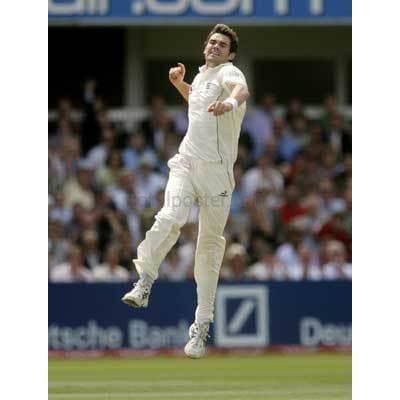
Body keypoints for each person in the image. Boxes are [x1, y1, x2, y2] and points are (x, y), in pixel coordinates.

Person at [121, 24, 250, 359]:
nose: (215, 47)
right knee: (170, 216)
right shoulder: (203, 77)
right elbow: (197, 102)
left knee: (208, 247)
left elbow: (240, 91)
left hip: (218, 177)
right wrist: (180, 85)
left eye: (222, 45)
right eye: (211, 42)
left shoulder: (229, 72)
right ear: (204, 46)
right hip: (187, 164)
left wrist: (231, 105)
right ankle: (146, 278)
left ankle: (201, 327)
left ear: (230, 53)